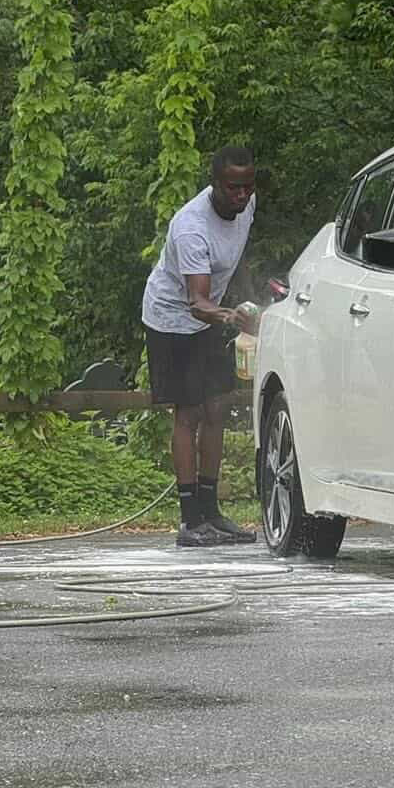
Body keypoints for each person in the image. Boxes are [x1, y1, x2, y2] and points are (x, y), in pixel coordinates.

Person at [142, 146, 260, 548]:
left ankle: (213, 512)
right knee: (189, 411)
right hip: (173, 319)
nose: (241, 196)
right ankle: (190, 520)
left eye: (247, 186)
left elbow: (237, 258)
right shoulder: (191, 227)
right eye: (233, 188)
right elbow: (196, 302)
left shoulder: (247, 204)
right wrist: (230, 317)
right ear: (214, 183)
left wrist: (248, 300)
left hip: (214, 311)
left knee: (217, 407)